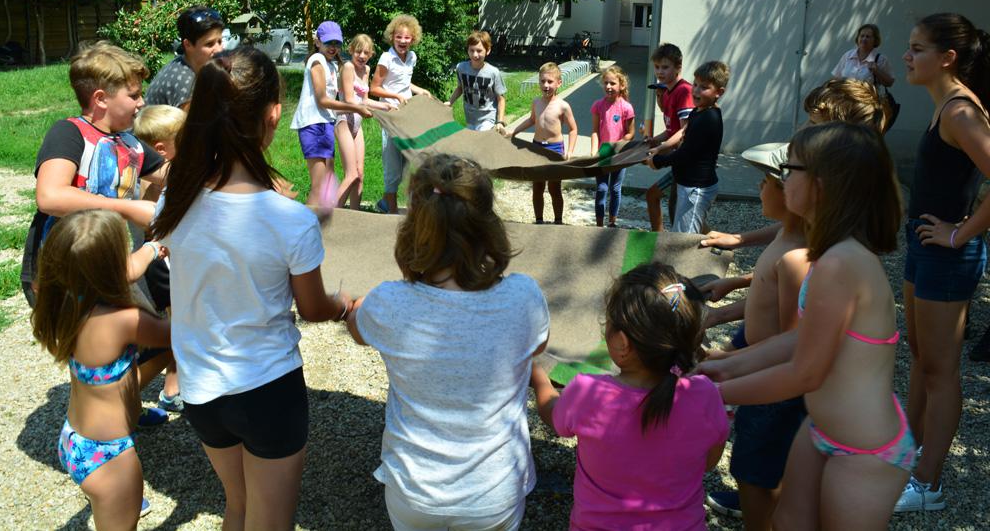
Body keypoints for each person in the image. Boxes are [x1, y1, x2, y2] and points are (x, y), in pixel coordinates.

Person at [150, 47, 351, 530]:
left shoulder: (173, 202)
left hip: (201, 389)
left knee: (237, 507)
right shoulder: (290, 219)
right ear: (273, 115)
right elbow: (313, 307)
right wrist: (345, 304)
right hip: (267, 389)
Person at [702, 122, 914, 529]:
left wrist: (710, 393)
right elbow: (799, 339)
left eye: (789, 169)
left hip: (864, 451)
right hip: (821, 430)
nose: (782, 178)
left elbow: (805, 372)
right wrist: (721, 364)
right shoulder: (829, 252)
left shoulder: (840, 263)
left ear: (820, 185)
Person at [345, 154, 549, 531]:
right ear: (488, 225)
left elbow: (358, 329)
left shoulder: (388, 301)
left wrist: (351, 307)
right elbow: (537, 347)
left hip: (413, 492)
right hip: (495, 492)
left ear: (415, 227)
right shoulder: (524, 296)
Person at [530, 263, 728, 529]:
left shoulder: (588, 393)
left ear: (622, 343)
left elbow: (552, 413)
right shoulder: (706, 395)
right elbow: (708, 463)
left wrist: (537, 375)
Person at [895, 12, 990, 512]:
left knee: (940, 370)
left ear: (948, 57)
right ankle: (907, 454)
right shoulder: (944, 107)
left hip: (947, 256)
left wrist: (959, 234)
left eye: (917, 49)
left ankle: (927, 484)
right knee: (920, 356)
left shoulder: (960, 112)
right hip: (924, 246)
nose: (906, 57)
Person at [31, 210, 172, 528]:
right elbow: (181, 334)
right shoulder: (124, 321)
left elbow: (128, 269)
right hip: (109, 455)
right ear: (111, 267)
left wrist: (152, 248)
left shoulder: (66, 298)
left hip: (75, 439)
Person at [701, 143, 810, 530]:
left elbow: (791, 342)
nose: (760, 188)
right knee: (750, 466)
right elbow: (766, 302)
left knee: (757, 475)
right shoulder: (785, 235)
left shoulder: (796, 258)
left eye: (767, 181)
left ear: (792, 194)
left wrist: (729, 363)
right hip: (759, 373)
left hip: (773, 391)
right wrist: (720, 315)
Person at [21, 42, 166, 308]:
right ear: (100, 99)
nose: (142, 102)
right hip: (64, 274)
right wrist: (128, 208)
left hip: (106, 267)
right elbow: (50, 196)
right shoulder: (69, 132)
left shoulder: (128, 142)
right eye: (133, 95)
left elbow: (168, 173)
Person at [699, 77, 887, 253]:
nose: (802, 129)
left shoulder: (843, 221)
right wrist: (739, 239)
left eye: (813, 123)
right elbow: (799, 226)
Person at [132, 104, 186, 412]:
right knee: (178, 328)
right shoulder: (175, 173)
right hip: (165, 264)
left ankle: (172, 388)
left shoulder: (173, 169)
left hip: (164, 259)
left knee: (178, 325)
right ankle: (130, 394)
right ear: (162, 148)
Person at [290, 21, 372, 208]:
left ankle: (324, 221)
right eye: (328, 42)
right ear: (317, 42)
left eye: (336, 43)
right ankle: (306, 224)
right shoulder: (316, 60)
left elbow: (332, 106)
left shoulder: (332, 66)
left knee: (327, 185)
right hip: (313, 124)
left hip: (326, 123)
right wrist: (356, 108)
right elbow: (322, 100)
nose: (333, 47)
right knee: (319, 187)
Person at [648, 61, 728, 233]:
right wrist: (659, 149)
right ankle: (721, 243)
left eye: (704, 87)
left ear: (719, 92)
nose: (696, 91)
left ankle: (722, 245)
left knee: (684, 239)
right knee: (687, 230)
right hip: (687, 184)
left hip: (696, 189)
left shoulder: (709, 118)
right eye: (695, 84)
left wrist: (658, 161)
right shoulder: (697, 111)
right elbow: (683, 133)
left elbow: (685, 154)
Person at [369, 14, 433, 215]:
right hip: (390, 117)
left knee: (406, 162)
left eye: (407, 37)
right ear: (392, 37)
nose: (402, 41)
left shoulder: (412, 57)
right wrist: (395, 96)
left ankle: (385, 202)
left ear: (413, 39)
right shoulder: (386, 58)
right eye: (399, 37)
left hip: (407, 115)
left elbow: (404, 83)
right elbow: (374, 88)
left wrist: (420, 90)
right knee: (392, 164)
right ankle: (392, 213)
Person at [511, 62, 578, 224]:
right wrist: (513, 131)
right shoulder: (536, 102)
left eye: (550, 81)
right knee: (538, 187)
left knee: (554, 188)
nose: (546, 85)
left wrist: (569, 151)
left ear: (559, 83)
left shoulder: (563, 106)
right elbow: (531, 120)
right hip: (537, 147)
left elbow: (573, 129)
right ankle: (539, 220)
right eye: (542, 81)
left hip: (555, 149)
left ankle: (558, 221)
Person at [335, 34, 391, 209]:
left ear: (371, 54)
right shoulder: (348, 67)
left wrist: (385, 106)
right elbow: (349, 99)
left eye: (366, 53)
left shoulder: (366, 70)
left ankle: (355, 215)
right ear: (351, 50)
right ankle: (329, 214)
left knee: (359, 174)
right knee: (351, 174)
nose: (362, 56)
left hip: (357, 124)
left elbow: (365, 99)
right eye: (358, 52)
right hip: (344, 120)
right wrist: (366, 110)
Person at [644, 43, 693, 231]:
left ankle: (664, 239)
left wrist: (661, 148)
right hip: (678, 159)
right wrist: (656, 140)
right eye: (657, 67)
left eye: (665, 67)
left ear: (678, 67)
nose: (659, 72)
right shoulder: (667, 92)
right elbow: (671, 130)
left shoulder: (683, 91)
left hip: (686, 160)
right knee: (665, 202)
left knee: (670, 205)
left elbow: (684, 131)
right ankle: (661, 237)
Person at [144, 6, 226, 109]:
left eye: (220, 41)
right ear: (188, 45)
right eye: (209, 44)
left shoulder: (187, 65)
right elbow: (192, 119)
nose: (219, 50)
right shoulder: (185, 82)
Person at [590, 65, 635, 227]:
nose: (608, 86)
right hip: (603, 151)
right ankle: (599, 224)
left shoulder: (626, 107)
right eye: (606, 83)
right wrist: (594, 151)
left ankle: (612, 222)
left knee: (615, 189)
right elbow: (595, 131)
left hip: (620, 153)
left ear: (621, 85)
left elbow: (630, 134)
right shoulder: (598, 105)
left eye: (613, 83)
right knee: (601, 188)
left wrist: (618, 146)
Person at [446, 30, 507, 132]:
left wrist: (500, 121)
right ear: (468, 50)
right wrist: (450, 102)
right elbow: (460, 88)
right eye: (472, 50)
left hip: (488, 118)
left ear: (488, 51)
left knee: (480, 139)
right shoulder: (461, 68)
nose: (475, 55)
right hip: (470, 118)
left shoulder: (493, 72)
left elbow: (501, 99)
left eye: (479, 51)